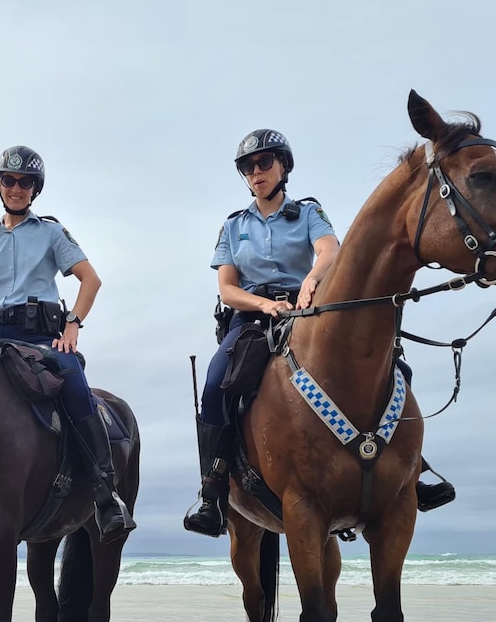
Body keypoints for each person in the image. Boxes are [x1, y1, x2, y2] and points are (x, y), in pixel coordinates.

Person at [183, 129, 455, 537]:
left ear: (282, 166)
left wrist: (311, 281)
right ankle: (213, 489)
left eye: (264, 163)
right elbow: (228, 289)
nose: (256, 172)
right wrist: (266, 305)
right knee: (216, 383)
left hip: (311, 307)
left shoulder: (309, 213)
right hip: (254, 317)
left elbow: (329, 251)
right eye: (247, 167)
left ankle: (412, 469)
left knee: (391, 366)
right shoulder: (233, 226)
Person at [0, 144, 135, 543]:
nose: (16, 188)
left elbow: (90, 279)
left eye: (24, 183)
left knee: (74, 383)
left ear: (34, 189)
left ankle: (105, 493)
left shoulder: (52, 233)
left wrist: (73, 324)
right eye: (9, 180)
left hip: (41, 338)